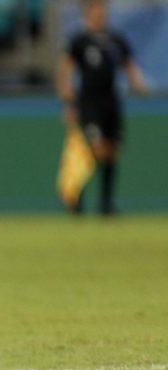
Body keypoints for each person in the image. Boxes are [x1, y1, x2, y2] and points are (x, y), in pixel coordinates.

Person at [56, 0, 146, 216]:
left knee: (110, 152)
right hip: (89, 101)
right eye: (95, 9)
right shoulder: (79, 41)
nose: (100, 13)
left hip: (111, 101)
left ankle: (106, 204)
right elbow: (65, 69)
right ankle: (75, 197)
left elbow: (128, 64)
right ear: (87, 13)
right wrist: (68, 100)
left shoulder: (115, 39)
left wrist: (137, 83)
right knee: (94, 149)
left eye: (102, 9)